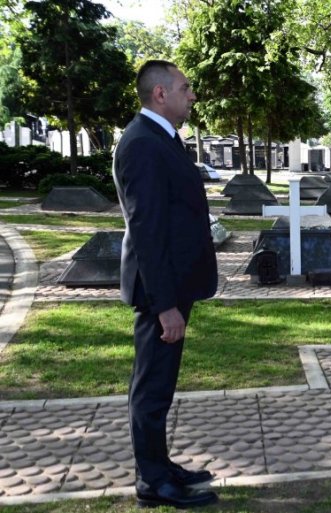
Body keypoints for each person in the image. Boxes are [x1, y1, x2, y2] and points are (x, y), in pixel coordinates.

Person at [113, 60, 219, 509]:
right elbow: (147, 230)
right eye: (185, 87)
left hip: (173, 286)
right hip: (161, 292)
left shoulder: (161, 138)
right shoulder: (142, 143)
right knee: (151, 389)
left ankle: (159, 465)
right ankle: (152, 482)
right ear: (160, 94)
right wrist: (165, 306)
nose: (192, 95)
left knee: (159, 386)